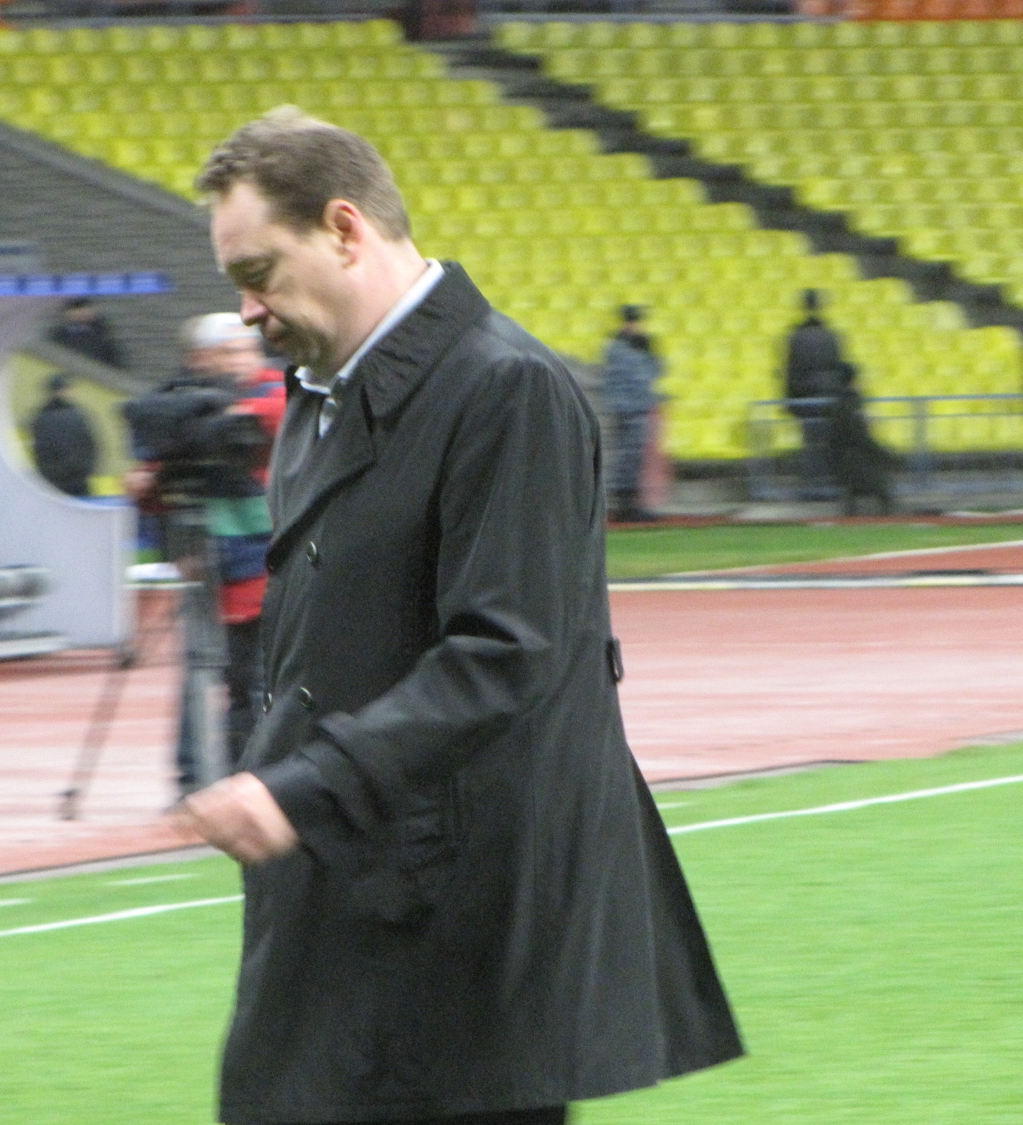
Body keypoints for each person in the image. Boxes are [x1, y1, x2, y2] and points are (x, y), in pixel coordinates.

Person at [177, 108, 742, 1125]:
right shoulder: (322, 394)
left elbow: (508, 652)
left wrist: (299, 785)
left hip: (463, 922)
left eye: (258, 274)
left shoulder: (506, 389)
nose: (247, 311)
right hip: (359, 881)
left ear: (344, 229)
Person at [126, 314, 284, 795]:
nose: (242, 360)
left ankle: (248, 777)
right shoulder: (177, 404)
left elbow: (272, 417)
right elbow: (152, 487)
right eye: (229, 352)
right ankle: (194, 781)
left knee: (255, 680)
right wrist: (148, 483)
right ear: (200, 358)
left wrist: (222, 421)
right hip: (202, 561)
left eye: (248, 350)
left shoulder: (276, 391)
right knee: (200, 673)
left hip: (264, 566)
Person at [600, 304, 664, 523]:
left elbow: (656, 372)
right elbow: (633, 377)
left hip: (637, 406)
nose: (635, 325)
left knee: (634, 458)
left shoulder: (632, 345)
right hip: (627, 408)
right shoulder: (618, 346)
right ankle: (624, 504)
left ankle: (630, 502)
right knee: (627, 457)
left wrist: (650, 354)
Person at [783, 288, 846, 497]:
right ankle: (830, 482)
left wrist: (789, 400)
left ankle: (812, 484)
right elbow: (840, 368)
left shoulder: (795, 337)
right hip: (830, 396)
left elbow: (791, 370)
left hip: (806, 396)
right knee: (828, 441)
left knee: (810, 442)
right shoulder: (831, 336)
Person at [825, 361, 894, 516]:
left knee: (853, 494)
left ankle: (850, 519)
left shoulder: (838, 402)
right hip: (855, 461)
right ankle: (886, 521)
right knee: (883, 490)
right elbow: (859, 437)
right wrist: (885, 455)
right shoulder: (850, 404)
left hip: (844, 461)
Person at [30, 373, 99, 497]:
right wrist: (86, 469)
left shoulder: (40, 417)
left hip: (52, 481)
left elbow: (40, 450)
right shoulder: (78, 416)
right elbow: (90, 445)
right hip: (77, 479)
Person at [47, 296, 126, 368]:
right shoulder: (59, 336)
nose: (81, 313)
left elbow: (112, 359)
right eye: (77, 309)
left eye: (85, 308)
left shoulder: (102, 334)